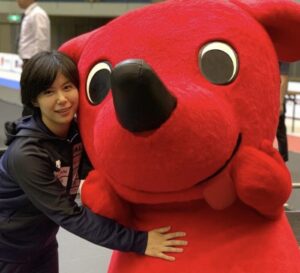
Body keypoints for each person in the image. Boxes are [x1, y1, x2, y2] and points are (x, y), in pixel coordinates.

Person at [0, 51, 187, 273]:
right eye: (49, 92)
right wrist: (140, 241)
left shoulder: (74, 132)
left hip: (42, 242)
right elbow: (70, 215)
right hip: (9, 251)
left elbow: (110, 164)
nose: (62, 99)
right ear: (34, 100)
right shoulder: (27, 155)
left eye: (68, 87)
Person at [16, 0, 50, 116]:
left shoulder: (38, 14)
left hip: (34, 61)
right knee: (27, 94)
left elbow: (42, 40)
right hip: (28, 60)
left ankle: (31, 121)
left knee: (32, 95)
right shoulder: (29, 14)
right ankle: (27, 120)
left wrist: (37, 64)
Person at [276, 62, 289, 162]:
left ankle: (282, 160)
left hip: (276, 100)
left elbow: (284, 80)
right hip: (267, 97)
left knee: (280, 131)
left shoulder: (283, 56)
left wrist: (280, 102)